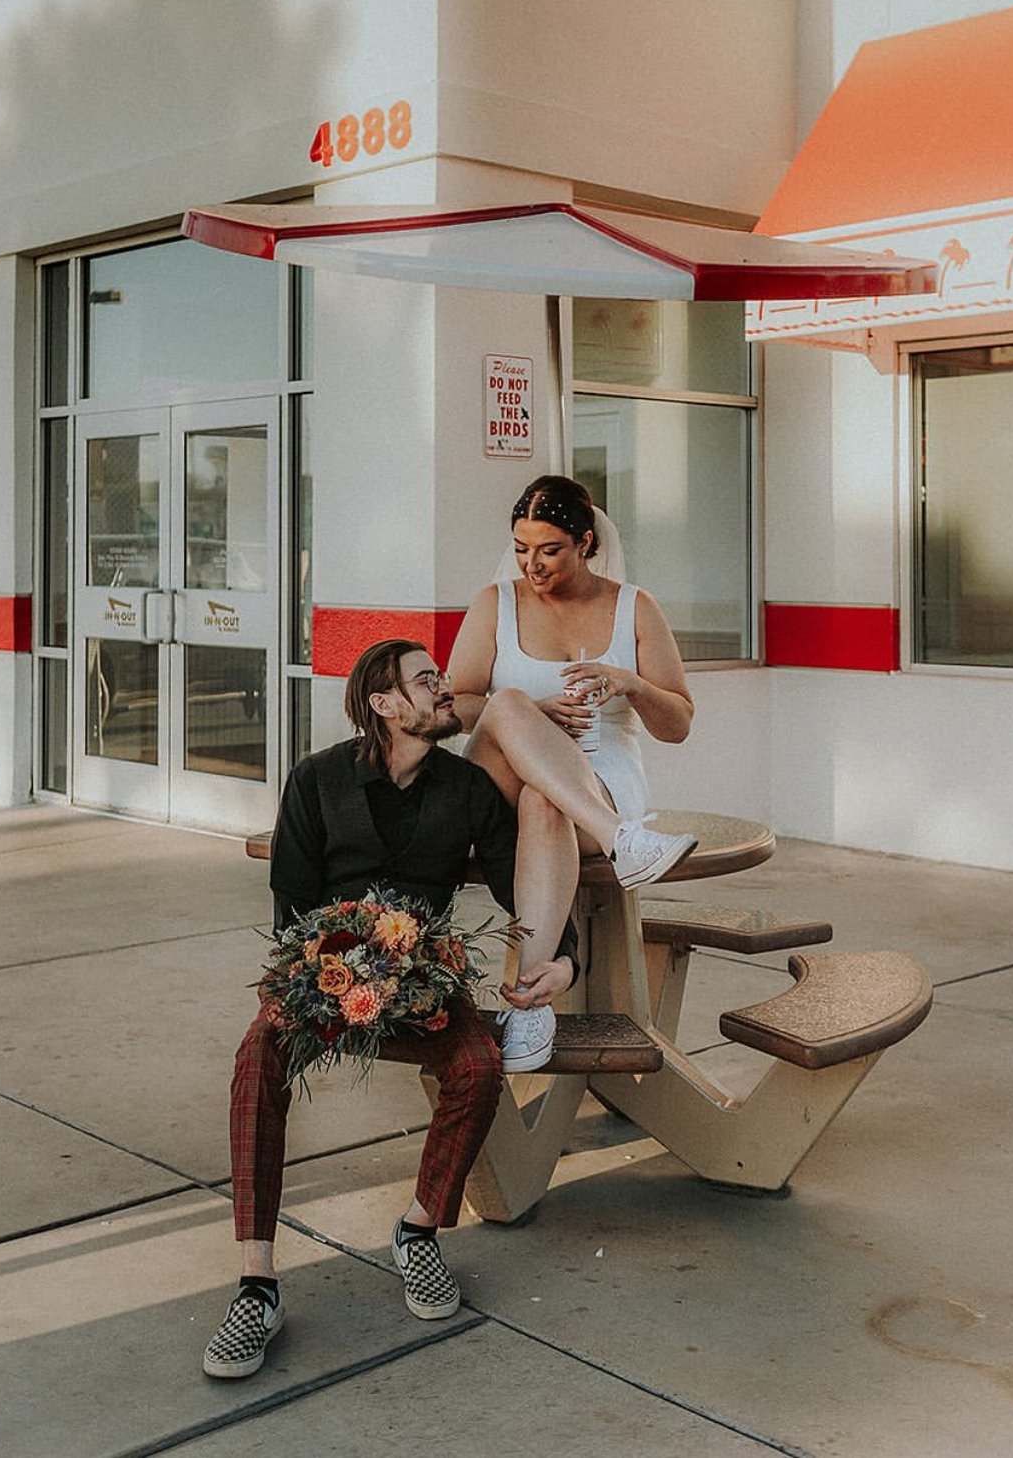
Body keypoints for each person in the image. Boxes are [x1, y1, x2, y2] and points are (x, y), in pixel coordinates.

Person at [201, 637, 576, 1380]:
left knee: (477, 1065)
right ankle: (256, 1283)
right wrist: (329, 969)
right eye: (427, 681)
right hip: (326, 973)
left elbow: (521, 890)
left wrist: (565, 959)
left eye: (440, 679)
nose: (446, 691)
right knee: (257, 1059)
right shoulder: (314, 781)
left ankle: (419, 1231)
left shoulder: (468, 789)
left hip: (424, 977)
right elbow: (291, 909)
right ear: (383, 704)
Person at [447, 474, 696, 1071]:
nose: (532, 565)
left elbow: (678, 724)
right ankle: (623, 842)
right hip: (499, 770)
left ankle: (532, 1004)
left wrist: (630, 682)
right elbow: (457, 704)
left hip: (600, 769)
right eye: (521, 549)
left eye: (549, 550)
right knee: (506, 705)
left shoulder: (635, 606)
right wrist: (532, 712)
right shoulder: (495, 602)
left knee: (543, 802)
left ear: (586, 542)